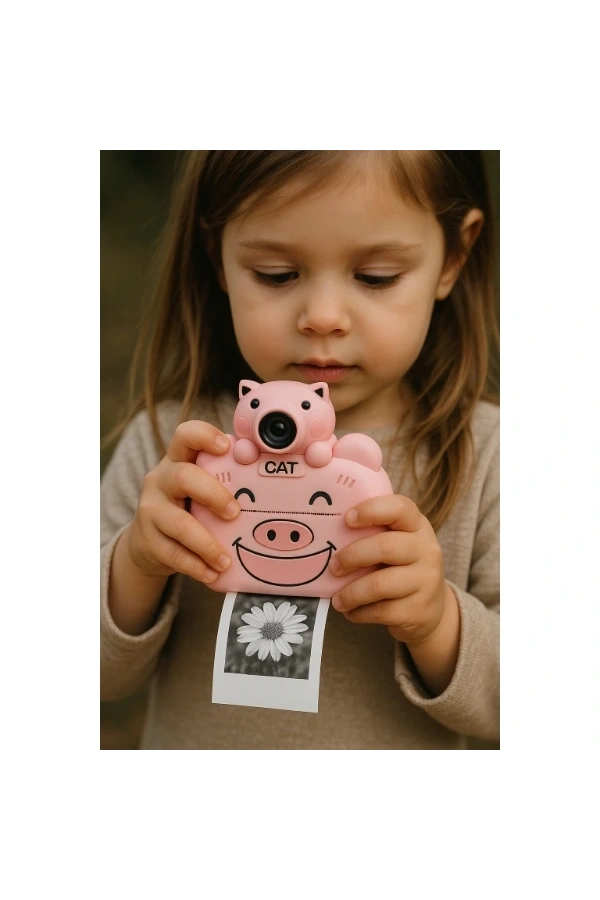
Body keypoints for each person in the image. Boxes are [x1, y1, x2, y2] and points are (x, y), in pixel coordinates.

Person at [101, 148, 499, 751]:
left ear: (455, 255)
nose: (322, 317)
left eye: (376, 277)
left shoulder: (489, 456)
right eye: (276, 274)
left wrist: (440, 622)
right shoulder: (174, 450)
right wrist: (136, 564)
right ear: (218, 254)